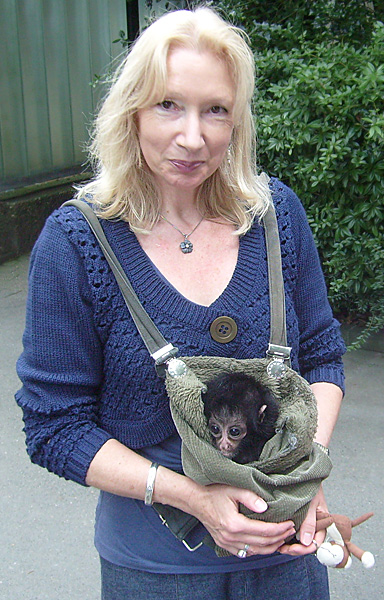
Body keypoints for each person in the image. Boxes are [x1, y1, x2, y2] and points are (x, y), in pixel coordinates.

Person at [16, 7, 346, 599]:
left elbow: (321, 356)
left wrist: (306, 465)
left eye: (216, 110)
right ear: (132, 111)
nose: (193, 136)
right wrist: (193, 496)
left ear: (237, 123)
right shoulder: (75, 244)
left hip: (288, 566)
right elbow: (54, 426)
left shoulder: (276, 218)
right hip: (155, 574)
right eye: (168, 104)